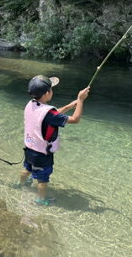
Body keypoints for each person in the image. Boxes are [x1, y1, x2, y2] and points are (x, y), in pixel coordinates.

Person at [19, 75, 90, 206]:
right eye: (51, 89)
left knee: (27, 168)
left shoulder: (31, 104)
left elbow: (52, 115)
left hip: (29, 149)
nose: (52, 91)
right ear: (47, 93)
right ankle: (40, 200)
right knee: (42, 180)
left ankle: (20, 184)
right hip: (42, 154)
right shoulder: (49, 113)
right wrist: (80, 100)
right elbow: (75, 119)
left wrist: (69, 106)